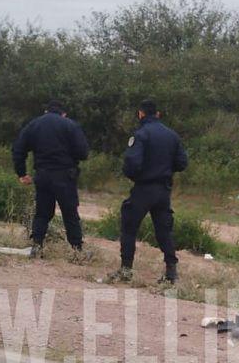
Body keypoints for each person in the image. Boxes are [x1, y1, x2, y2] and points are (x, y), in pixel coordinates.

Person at [108, 99, 188, 284]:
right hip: (163, 190)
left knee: (129, 228)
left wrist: (136, 175)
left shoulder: (141, 134)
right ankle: (171, 272)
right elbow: (182, 163)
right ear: (158, 114)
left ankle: (126, 269)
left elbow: (132, 163)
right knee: (164, 231)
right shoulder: (172, 136)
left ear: (141, 114)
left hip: (144, 188)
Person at [11, 100, 90, 258]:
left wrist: (21, 173)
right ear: (64, 113)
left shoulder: (34, 125)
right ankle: (77, 250)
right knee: (70, 213)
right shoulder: (70, 125)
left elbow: (18, 148)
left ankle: (37, 246)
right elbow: (83, 153)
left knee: (42, 213)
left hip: (43, 175)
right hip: (65, 175)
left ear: (46, 111)